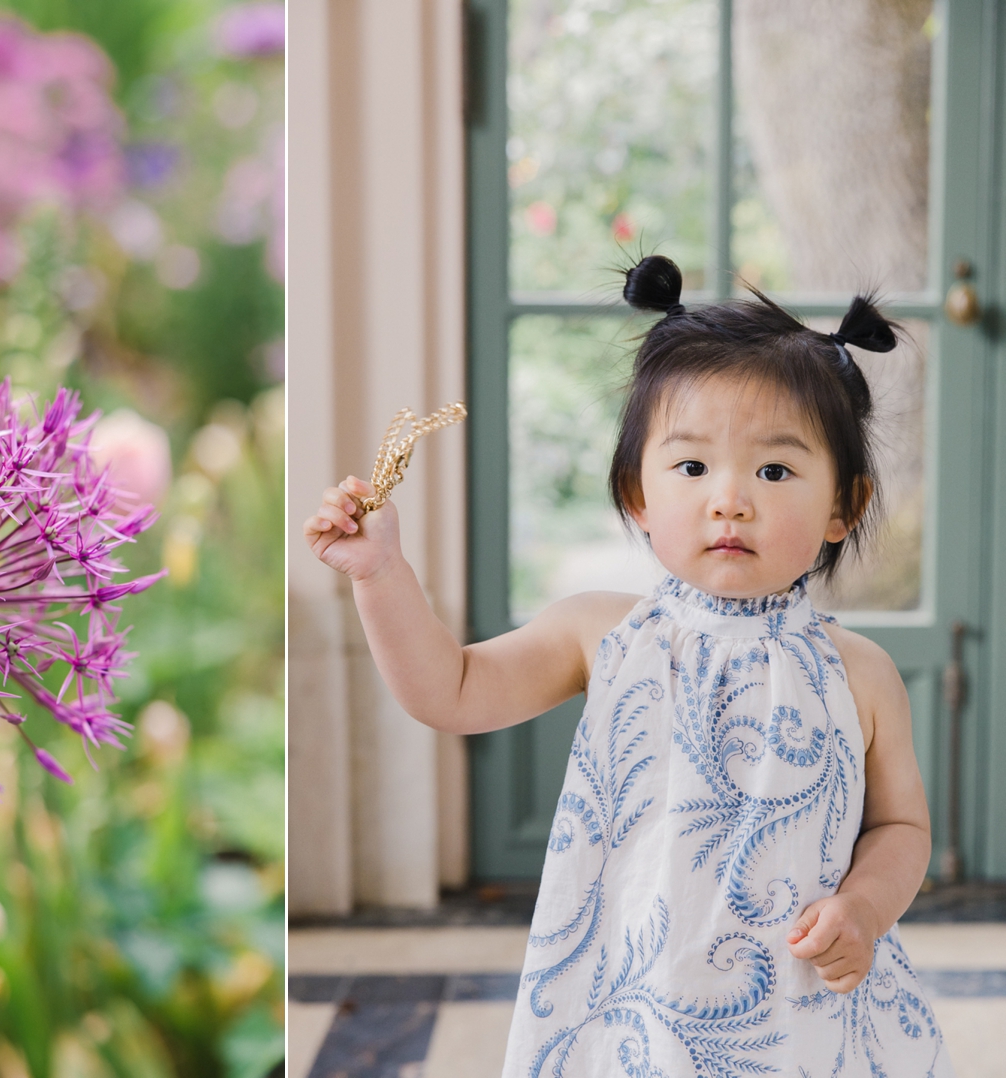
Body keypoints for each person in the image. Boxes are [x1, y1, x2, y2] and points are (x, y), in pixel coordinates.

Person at [302, 254, 953, 1076]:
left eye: (776, 469)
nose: (730, 498)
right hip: (633, 999)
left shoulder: (860, 673)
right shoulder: (603, 632)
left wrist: (862, 908)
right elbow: (449, 691)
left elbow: (902, 829)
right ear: (638, 496)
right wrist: (382, 575)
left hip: (801, 1007)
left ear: (842, 506)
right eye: (691, 466)